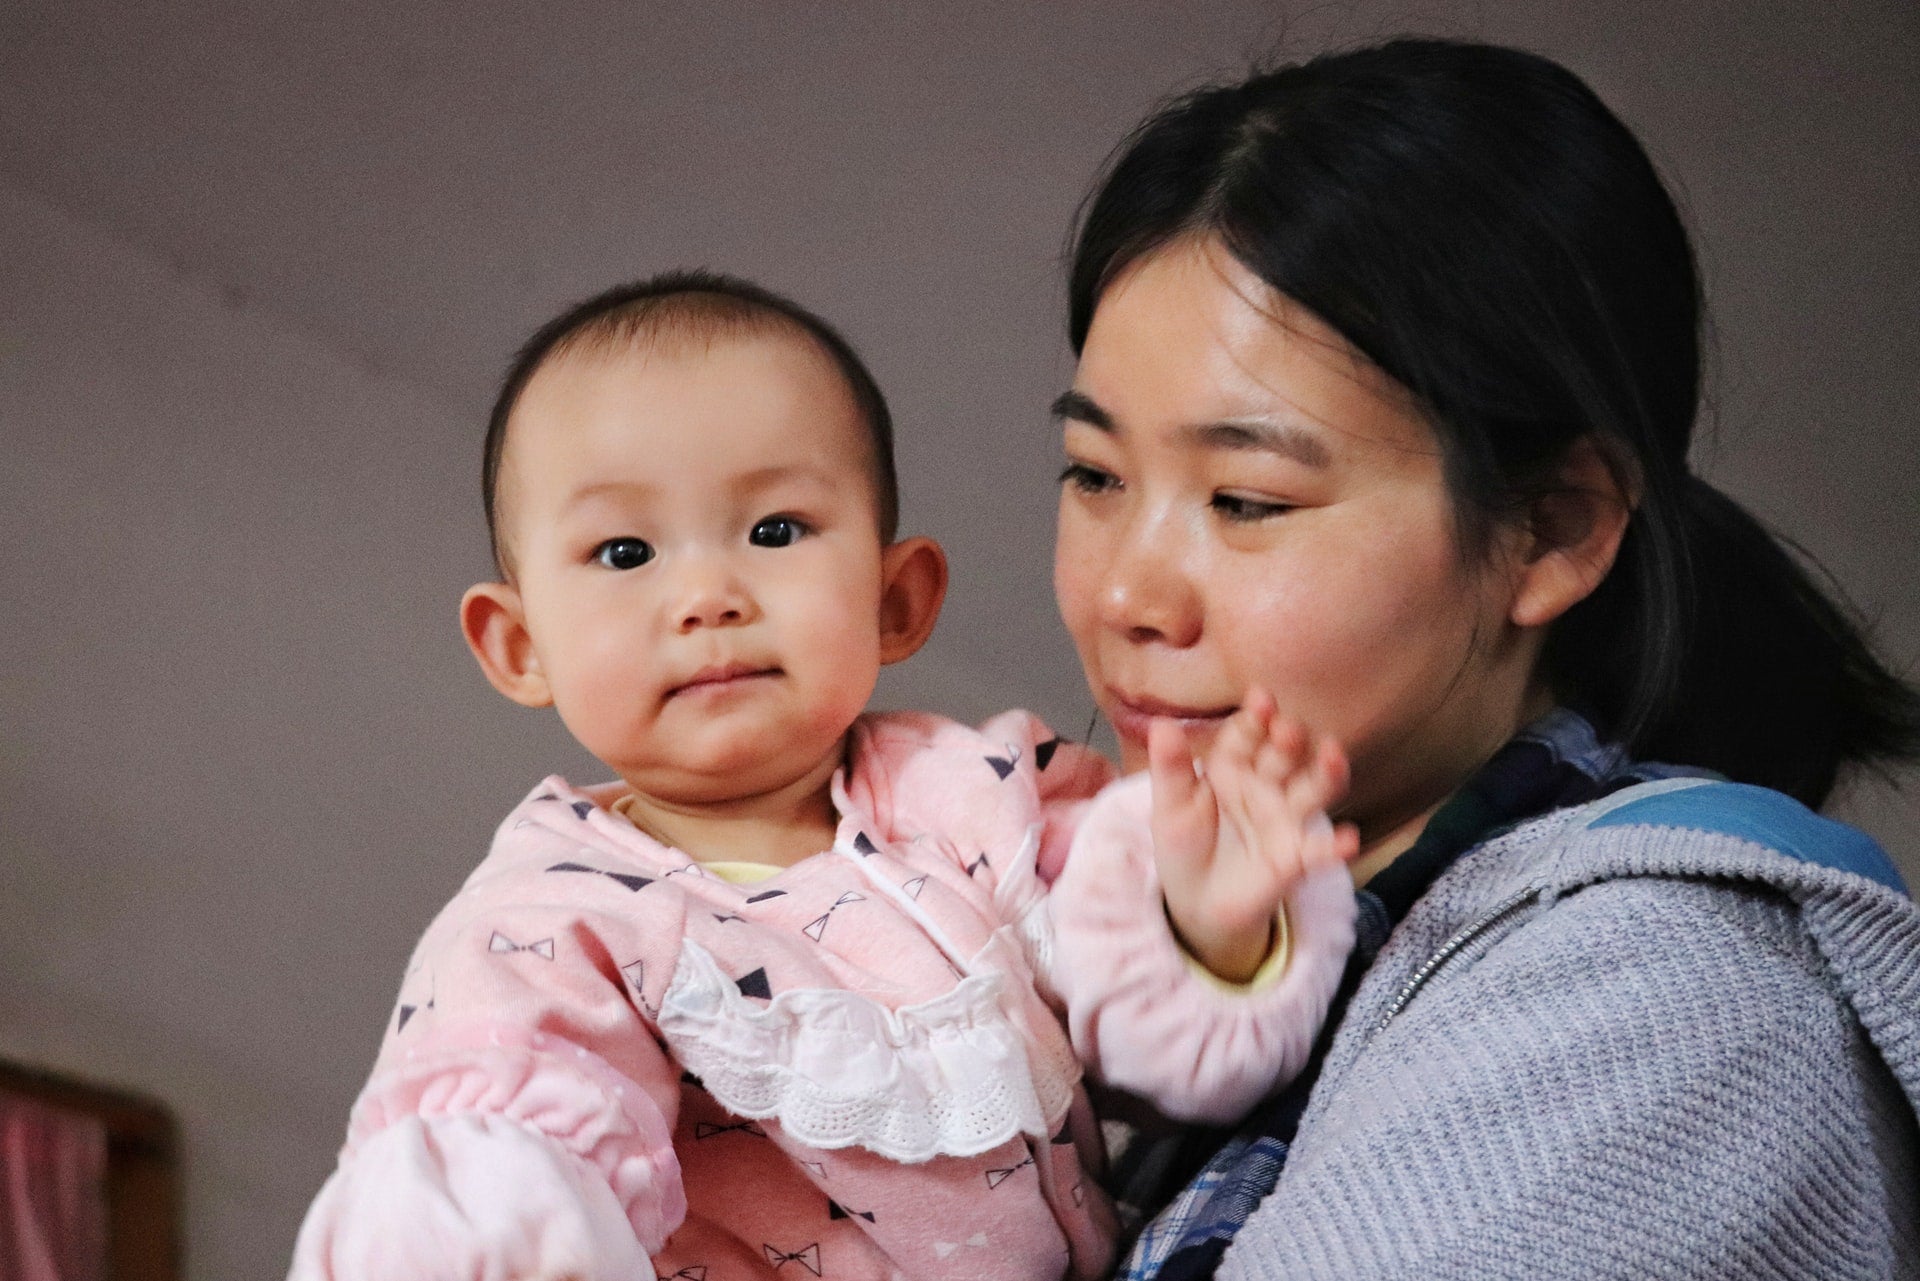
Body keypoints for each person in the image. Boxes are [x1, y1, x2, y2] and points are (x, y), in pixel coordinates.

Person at [286, 271, 1364, 1280]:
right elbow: (499, 1177)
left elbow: (1165, 1078)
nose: (708, 594)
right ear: (519, 645)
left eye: (775, 529)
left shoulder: (991, 793)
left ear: (897, 600)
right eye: (625, 553)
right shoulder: (548, 925)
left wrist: (1209, 930)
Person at [1048, 37, 1920, 1280]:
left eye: (1246, 499)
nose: (1126, 593)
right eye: (1093, 476)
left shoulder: (1662, 1010)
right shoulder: (1263, 960)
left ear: (1552, 530)